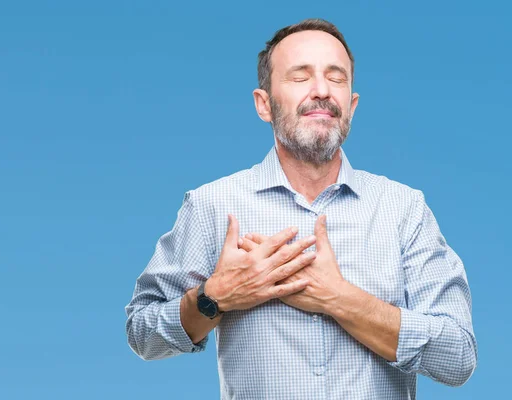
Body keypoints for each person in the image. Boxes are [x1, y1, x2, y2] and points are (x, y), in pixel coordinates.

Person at [125, 18, 477, 399]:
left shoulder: (403, 209)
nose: (322, 90)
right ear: (264, 105)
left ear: (352, 105)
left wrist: (341, 299)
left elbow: (457, 357)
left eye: (336, 78)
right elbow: (142, 334)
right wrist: (215, 297)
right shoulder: (213, 205)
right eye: (300, 77)